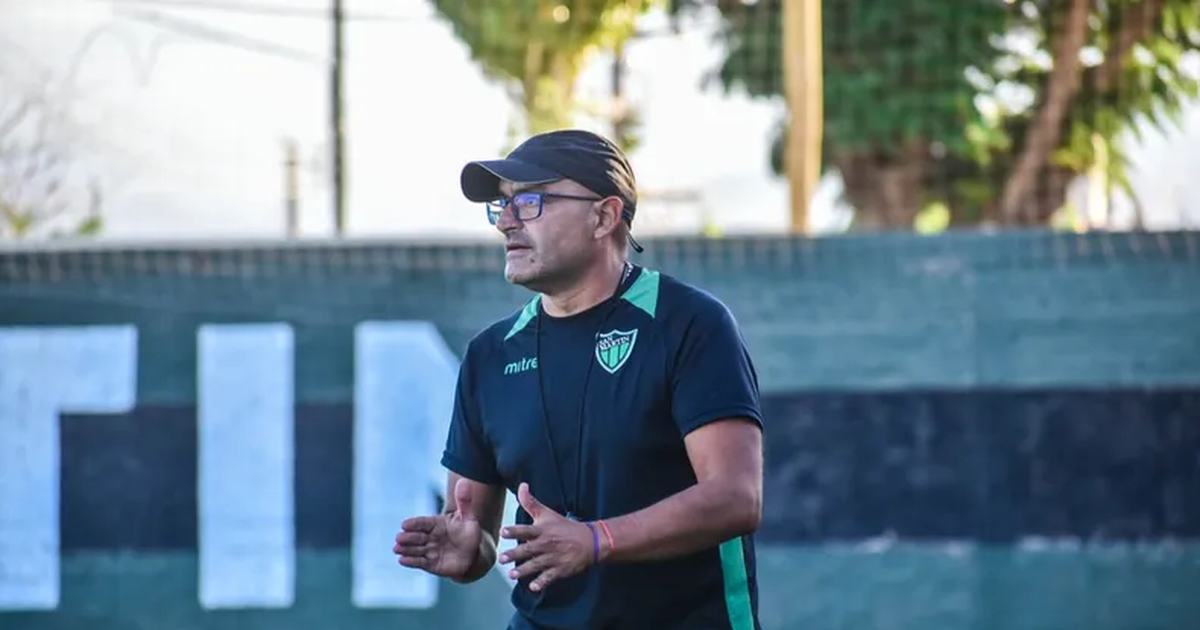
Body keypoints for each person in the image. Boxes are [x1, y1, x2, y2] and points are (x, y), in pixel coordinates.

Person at [393, 128, 765, 630]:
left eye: (529, 201)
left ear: (604, 216)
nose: (506, 221)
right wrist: (468, 550)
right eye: (502, 204)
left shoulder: (690, 323)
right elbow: (476, 535)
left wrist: (597, 540)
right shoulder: (490, 356)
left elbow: (736, 497)